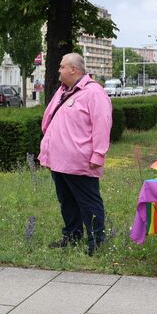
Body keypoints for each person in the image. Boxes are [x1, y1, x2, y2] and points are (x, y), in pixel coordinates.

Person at [38, 53, 112, 254]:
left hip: (80, 161)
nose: (58, 70)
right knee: (67, 201)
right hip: (59, 160)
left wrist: (98, 155)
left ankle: (97, 242)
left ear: (73, 69)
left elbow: (102, 125)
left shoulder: (93, 92)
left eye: (62, 66)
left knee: (89, 203)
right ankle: (72, 235)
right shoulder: (63, 90)